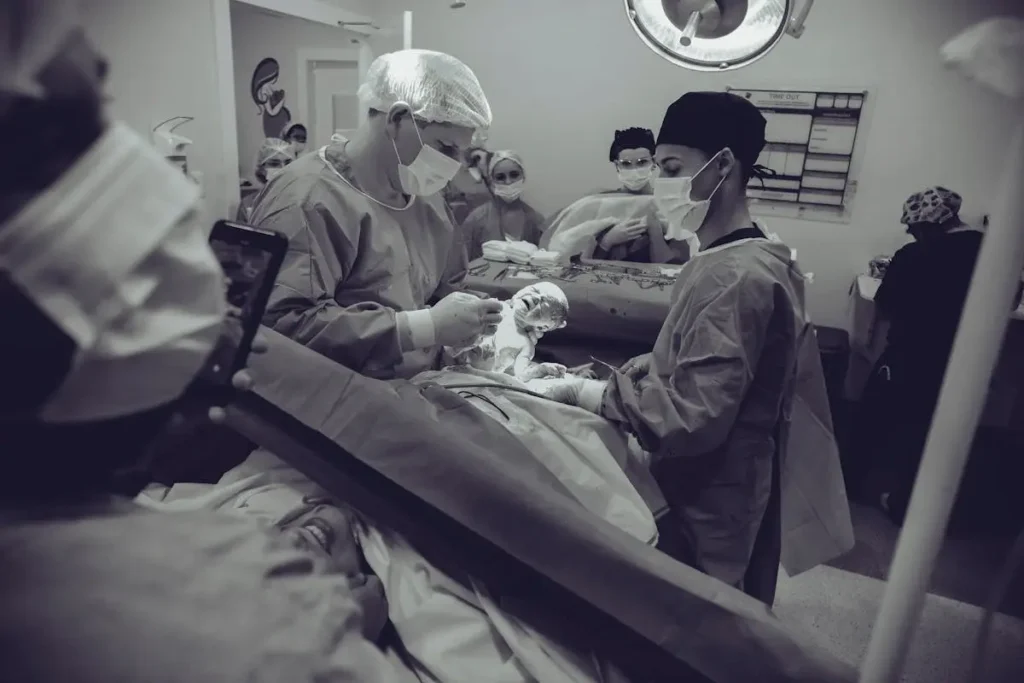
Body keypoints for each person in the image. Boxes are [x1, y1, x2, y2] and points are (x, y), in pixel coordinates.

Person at [0, 3, 395, 679]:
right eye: (72, 132)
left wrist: (133, 451)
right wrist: (343, 620)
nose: (167, 177)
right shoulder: (268, 625)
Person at [533, 92, 809, 606]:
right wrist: (648, 366)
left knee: (696, 615)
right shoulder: (739, 256)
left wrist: (589, 396)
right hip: (719, 480)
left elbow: (693, 416)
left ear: (723, 164)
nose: (660, 184)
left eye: (671, 167)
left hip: (711, 494)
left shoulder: (734, 276)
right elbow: (713, 363)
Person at [249, 49, 503, 380]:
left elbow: (446, 287)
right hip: (339, 402)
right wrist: (421, 327)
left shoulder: (425, 199)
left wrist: (474, 319)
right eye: (446, 147)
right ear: (397, 119)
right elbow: (280, 328)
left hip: (421, 386)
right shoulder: (306, 199)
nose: (454, 166)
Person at [849, 187, 1023, 524]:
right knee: (934, 436)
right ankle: (909, 504)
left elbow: (884, 304)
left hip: (909, 359)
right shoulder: (996, 254)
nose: (911, 234)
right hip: (965, 365)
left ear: (928, 226)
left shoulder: (914, 256)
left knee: (870, 418)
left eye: (913, 228)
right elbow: (1011, 302)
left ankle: (851, 485)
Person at [460, 150, 546, 260]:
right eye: (500, 177)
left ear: (523, 176)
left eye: (514, 175)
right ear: (492, 181)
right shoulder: (476, 220)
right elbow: (462, 264)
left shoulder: (536, 220)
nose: (508, 181)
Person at [236, 137, 296, 222]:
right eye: (274, 164)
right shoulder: (249, 205)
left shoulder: (303, 202)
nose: (283, 168)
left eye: (288, 163)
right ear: (261, 168)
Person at [606, 127, 657, 196]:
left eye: (642, 162)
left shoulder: (666, 202)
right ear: (617, 165)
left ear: (654, 162)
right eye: (626, 163)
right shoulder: (603, 203)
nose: (634, 170)